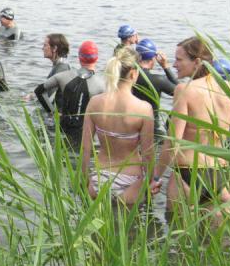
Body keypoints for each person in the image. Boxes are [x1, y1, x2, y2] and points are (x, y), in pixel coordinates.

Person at [151, 36, 230, 210]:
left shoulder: (185, 90)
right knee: (219, 229)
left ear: (196, 62)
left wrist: (156, 177)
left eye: (179, 60)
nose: (174, 65)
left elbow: (173, 142)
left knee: (177, 227)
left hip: (187, 174)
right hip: (222, 175)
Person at [82, 47, 156, 205]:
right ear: (133, 73)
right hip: (130, 181)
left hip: (98, 178)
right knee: (131, 222)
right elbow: (148, 154)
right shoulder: (144, 109)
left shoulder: (95, 102)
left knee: (96, 221)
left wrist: (84, 180)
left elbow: (85, 148)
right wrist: (151, 181)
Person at [35, 40, 105, 136]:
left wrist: (52, 112)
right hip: (87, 133)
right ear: (96, 58)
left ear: (79, 57)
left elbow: (39, 91)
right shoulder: (102, 85)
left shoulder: (62, 76)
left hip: (63, 130)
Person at [132, 38, 178, 137]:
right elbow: (182, 92)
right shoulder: (158, 80)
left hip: (131, 127)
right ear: (153, 59)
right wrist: (165, 67)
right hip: (152, 130)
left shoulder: (128, 76)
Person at [33, 33, 70, 110]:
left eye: (45, 45)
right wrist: (32, 96)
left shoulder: (61, 69)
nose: (42, 48)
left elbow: (49, 98)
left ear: (54, 48)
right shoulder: (59, 66)